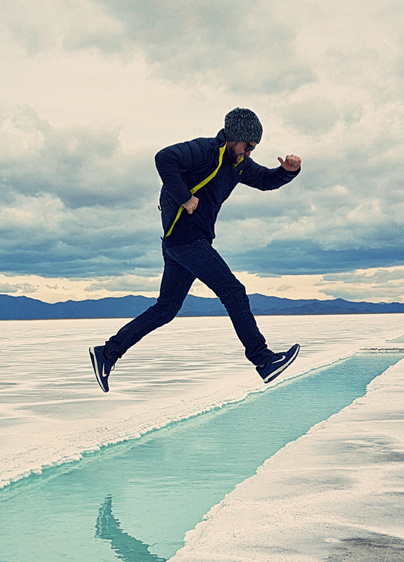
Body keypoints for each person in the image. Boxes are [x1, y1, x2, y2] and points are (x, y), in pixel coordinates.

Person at [90, 108, 301, 393]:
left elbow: (265, 180)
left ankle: (107, 353)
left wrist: (289, 172)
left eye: (254, 148)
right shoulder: (205, 150)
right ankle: (263, 360)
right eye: (249, 146)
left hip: (184, 243)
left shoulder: (237, 164)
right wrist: (185, 197)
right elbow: (164, 158)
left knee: (165, 309)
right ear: (235, 137)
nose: (250, 152)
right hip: (186, 239)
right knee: (233, 292)